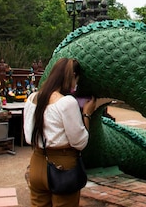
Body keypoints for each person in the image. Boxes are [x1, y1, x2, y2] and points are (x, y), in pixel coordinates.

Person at [23, 58, 96, 207]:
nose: (76, 85)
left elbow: (29, 138)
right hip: (62, 165)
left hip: (37, 163)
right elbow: (80, 142)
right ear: (72, 76)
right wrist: (87, 114)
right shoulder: (66, 103)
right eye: (76, 79)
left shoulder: (32, 99)